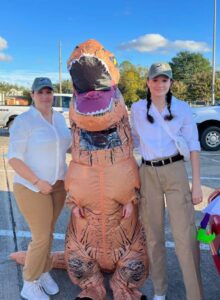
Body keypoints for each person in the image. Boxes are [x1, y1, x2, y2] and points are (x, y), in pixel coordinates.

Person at [131, 63, 203, 300]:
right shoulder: (137, 108)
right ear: (148, 82)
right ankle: (160, 290)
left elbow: (193, 145)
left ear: (171, 83)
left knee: (185, 235)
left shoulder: (182, 108)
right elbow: (132, 140)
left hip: (174, 171)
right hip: (148, 173)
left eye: (165, 80)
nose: (160, 84)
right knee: (153, 236)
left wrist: (196, 185)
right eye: (155, 80)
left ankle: (194, 294)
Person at [8, 77, 71, 300]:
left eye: (48, 91)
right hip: (31, 187)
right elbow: (14, 159)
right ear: (32, 95)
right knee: (41, 236)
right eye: (40, 92)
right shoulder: (24, 121)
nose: (45, 96)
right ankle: (29, 282)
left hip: (58, 185)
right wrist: (37, 182)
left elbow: (68, 145)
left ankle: (44, 270)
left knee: (49, 232)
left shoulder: (59, 118)